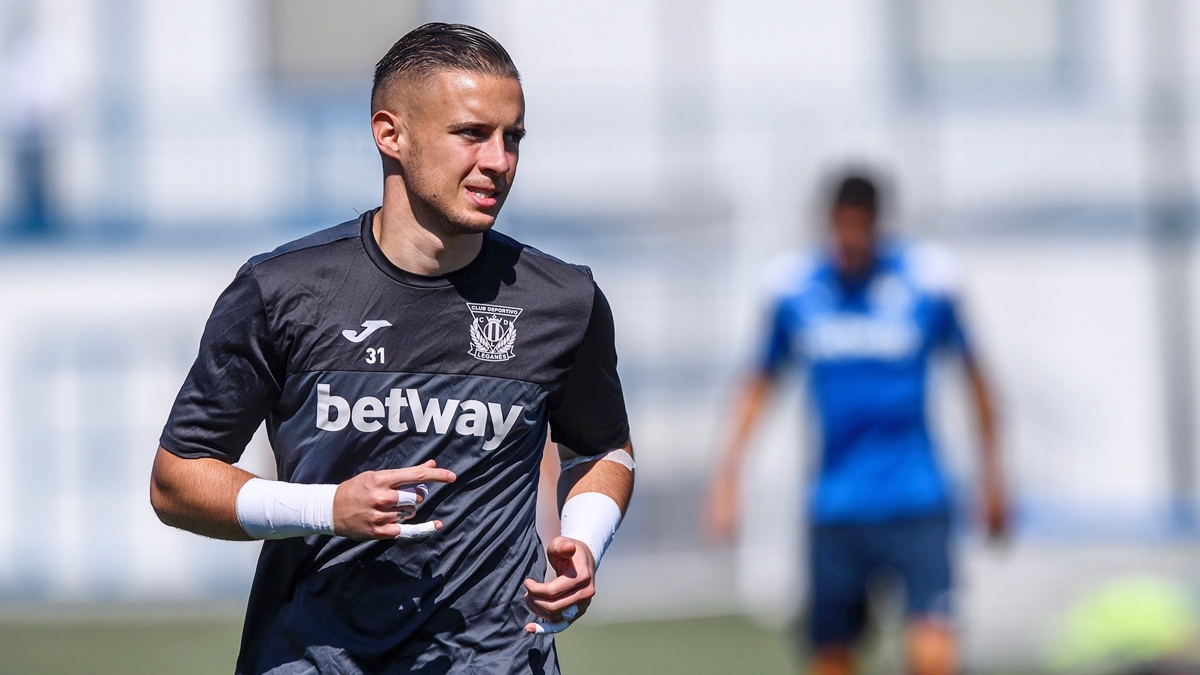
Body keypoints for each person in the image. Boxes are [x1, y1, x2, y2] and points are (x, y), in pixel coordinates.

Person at [150, 23, 635, 675]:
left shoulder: (562, 299)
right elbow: (176, 479)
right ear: (390, 134)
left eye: (511, 137)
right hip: (312, 655)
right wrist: (327, 507)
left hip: (496, 658)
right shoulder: (282, 291)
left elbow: (603, 449)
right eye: (471, 134)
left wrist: (583, 539)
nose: (499, 160)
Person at [705, 174, 1007, 675]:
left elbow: (975, 379)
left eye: (860, 228)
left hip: (918, 497)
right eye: (841, 227)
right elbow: (758, 385)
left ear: (876, 225)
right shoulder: (798, 291)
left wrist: (995, 479)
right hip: (837, 504)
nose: (850, 240)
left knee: (934, 653)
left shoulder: (926, 284)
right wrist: (727, 480)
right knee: (831, 656)